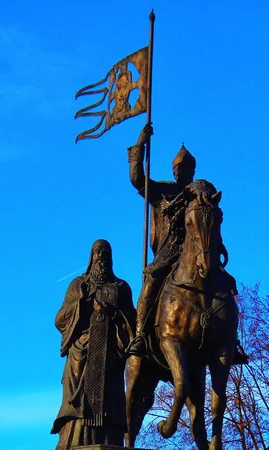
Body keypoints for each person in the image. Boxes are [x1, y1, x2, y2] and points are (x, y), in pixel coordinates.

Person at [51, 239, 135, 449]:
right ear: (91, 257)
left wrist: (114, 313)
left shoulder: (121, 287)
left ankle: (109, 438)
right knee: (78, 402)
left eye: (105, 253)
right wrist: (82, 303)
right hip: (83, 351)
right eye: (97, 252)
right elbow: (60, 318)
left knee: (110, 401)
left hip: (110, 354)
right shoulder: (78, 285)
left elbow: (134, 321)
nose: (101, 257)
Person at [126, 124, 196, 356]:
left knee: (224, 285)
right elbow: (137, 179)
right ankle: (140, 335)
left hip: (196, 252)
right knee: (151, 281)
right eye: (177, 169)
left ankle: (230, 340)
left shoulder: (199, 194)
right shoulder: (163, 192)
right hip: (168, 253)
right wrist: (140, 145)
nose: (180, 172)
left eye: (184, 168)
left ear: (192, 170)